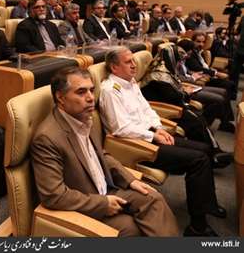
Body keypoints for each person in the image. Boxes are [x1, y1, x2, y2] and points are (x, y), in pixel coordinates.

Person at [31, 66, 179, 236]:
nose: (90, 98)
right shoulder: (47, 138)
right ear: (61, 98)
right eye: (81, 92)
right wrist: (102, 204)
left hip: (106, 187)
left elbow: (101, 155)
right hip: (86, 200)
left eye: (92, 90)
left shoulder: (86, 117)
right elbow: (53, 196)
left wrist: (129, 180)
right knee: (131, 228)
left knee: (153, 197)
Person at [99, 46, 227, 236]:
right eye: (128, 62)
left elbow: (147, 110)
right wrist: (153, 135)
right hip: (134, 145)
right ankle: (197, 226)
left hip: (150, 135)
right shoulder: (110, 90)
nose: (134, 65)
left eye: (133, 60)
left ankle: (206, 203)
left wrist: (158, 128)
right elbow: (121, 129)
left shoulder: (130, 82)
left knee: (205, 148)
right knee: (198, 160)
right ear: (114, 67)